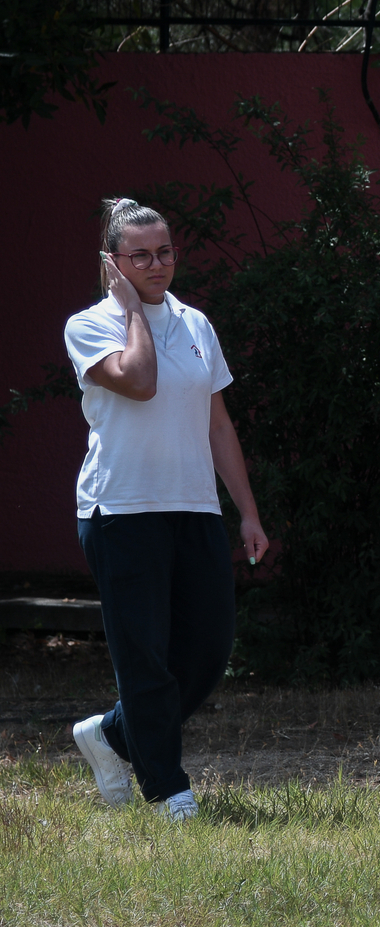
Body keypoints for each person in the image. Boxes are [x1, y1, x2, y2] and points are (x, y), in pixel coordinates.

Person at [64, 197, 269, 821]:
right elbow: (141, 379)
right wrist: (132, 313)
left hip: (194, 507)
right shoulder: (90, 324)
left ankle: (113, 735)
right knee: (143, 653)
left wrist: (248, 513)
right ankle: (168, 790)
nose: (157, 264)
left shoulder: (196, 323)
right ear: (113, 262)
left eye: (165, 251)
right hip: (120, 510)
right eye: (140, 256)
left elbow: (218, 426)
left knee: (208, 648)